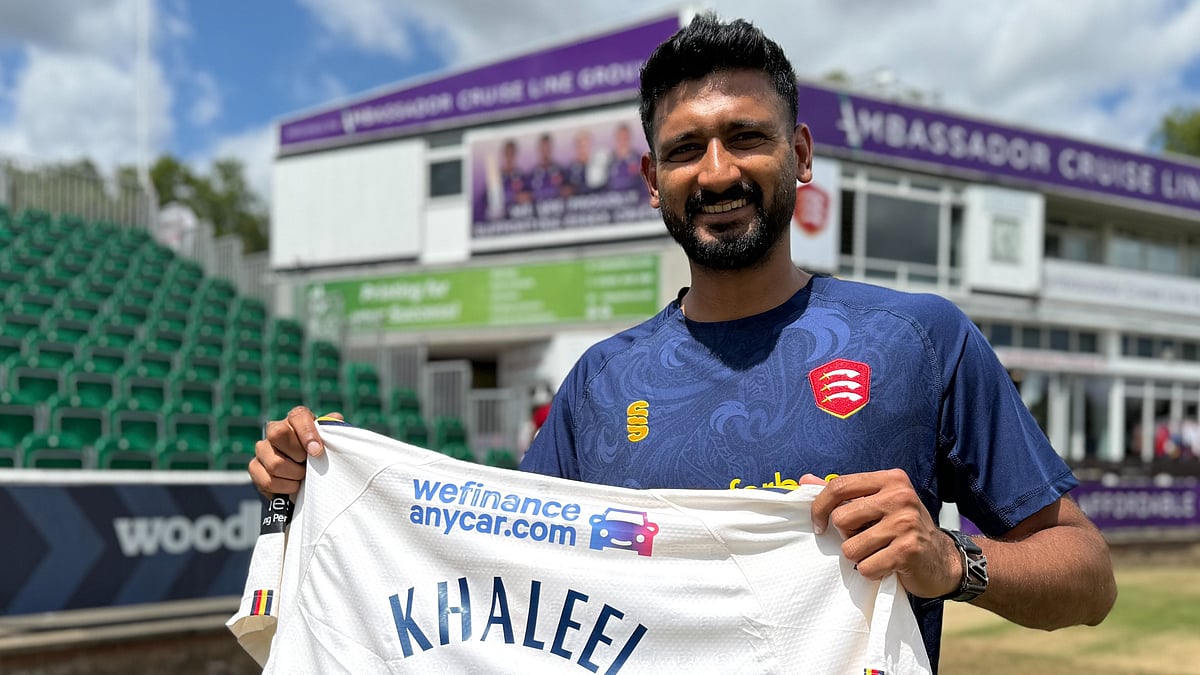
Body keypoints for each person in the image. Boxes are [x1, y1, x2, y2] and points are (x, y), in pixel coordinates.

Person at [251, 14, 1115, 672]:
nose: (716, 171)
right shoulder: (598, 383)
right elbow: (493, 577)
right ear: (650, 182)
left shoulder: (920, 341)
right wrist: (326, 484)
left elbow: (1088, 576)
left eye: (746, 136)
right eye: (684, 149)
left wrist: (952, 560)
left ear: (801, 154)